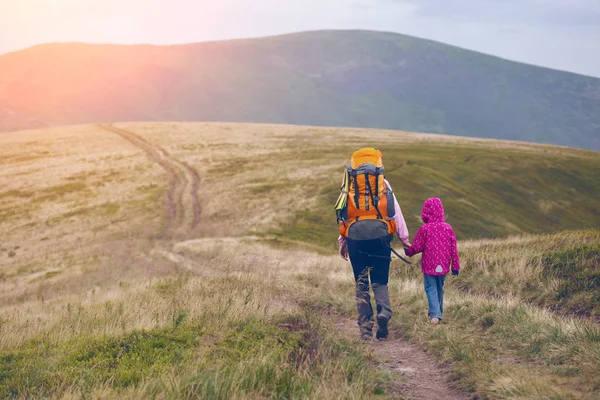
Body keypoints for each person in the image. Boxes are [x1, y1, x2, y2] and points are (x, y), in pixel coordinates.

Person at [339, 178, 411, 341]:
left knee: (361, 282)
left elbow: (343, 215)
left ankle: (365, 328)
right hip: (381, 237)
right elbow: (395, 212)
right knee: (380, 281)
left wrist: (342, 242)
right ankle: (384, 312)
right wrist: (404, 240)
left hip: (355, 240)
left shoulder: (348, 185)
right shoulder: (383, 183)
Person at [405, 198, 461, 324]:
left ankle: (434, 315)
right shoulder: (448, 228)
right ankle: (438, 313)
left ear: (425, 212)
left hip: (429, 265)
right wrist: (455, 266)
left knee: (431, 287)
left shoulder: (425, 229)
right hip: (444, 264)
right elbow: (454, 249)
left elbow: (417, 247)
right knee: (439, 287)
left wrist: (408, 251)